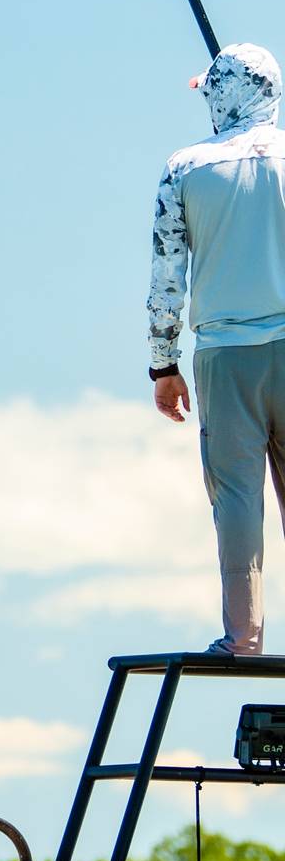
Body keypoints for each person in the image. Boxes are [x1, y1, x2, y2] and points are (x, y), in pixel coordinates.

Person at [148, 43, 285, 655]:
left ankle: (244, 635)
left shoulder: (185, 168)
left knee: (235, 498)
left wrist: (162, 362)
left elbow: (167, 276)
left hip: (226, 356)